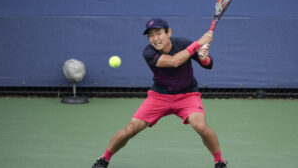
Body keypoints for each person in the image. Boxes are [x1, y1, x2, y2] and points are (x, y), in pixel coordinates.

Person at [92, 18, 227, 168]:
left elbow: (207, 64)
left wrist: (203, 57)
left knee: (200, 126)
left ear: (168, 33)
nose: (155, 39)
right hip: (159, 97)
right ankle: (104, 159)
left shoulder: (182, 43)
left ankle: (219, 161)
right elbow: (173, 61)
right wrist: (198, 44)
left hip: (188, 95)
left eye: (158, 33)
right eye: (151, 35)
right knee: (131, 129)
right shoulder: (148, 52)